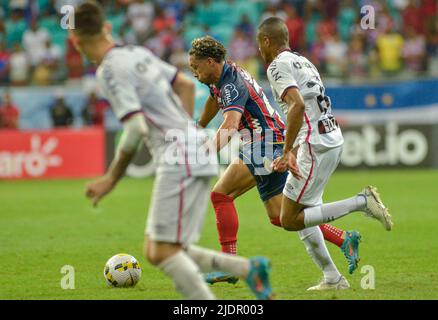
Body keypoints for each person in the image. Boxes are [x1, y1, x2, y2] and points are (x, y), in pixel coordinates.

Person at [73, 1, 273, 300]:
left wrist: (110, 179)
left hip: (178, 158)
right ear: (108, 27)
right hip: (191, 152)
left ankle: (230, 281)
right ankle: (246, 269)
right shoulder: (136, 52)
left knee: (163, 250)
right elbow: (185, 86)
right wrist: (187, 132)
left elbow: (137, 128)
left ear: (75, 41)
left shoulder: (108, 71)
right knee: (161, 248)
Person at [189, 36, 360, 290]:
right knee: (281, 217)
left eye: (196, 68)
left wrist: (204, 153)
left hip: (265, 142)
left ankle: (230, 264)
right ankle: (344, 238)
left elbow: (231, 124)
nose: (194, 73)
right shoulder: (221, 79)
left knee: (220, 195)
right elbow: (214, 101)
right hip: (268, 141)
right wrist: (198, 126)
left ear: (211, 62)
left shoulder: (231, 84)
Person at [256, 17, 393, 288]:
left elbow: (296, 107)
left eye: (259, 45)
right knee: (304, 212)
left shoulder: (277, 66)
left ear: (267, 42)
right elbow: (306, 107)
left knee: (289, 218)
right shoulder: (304, 61)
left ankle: (361, 202)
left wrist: (286, 152)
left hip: (315, 145)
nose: (259, 51)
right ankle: (332, 277)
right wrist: (293, 150)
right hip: (328, 139)